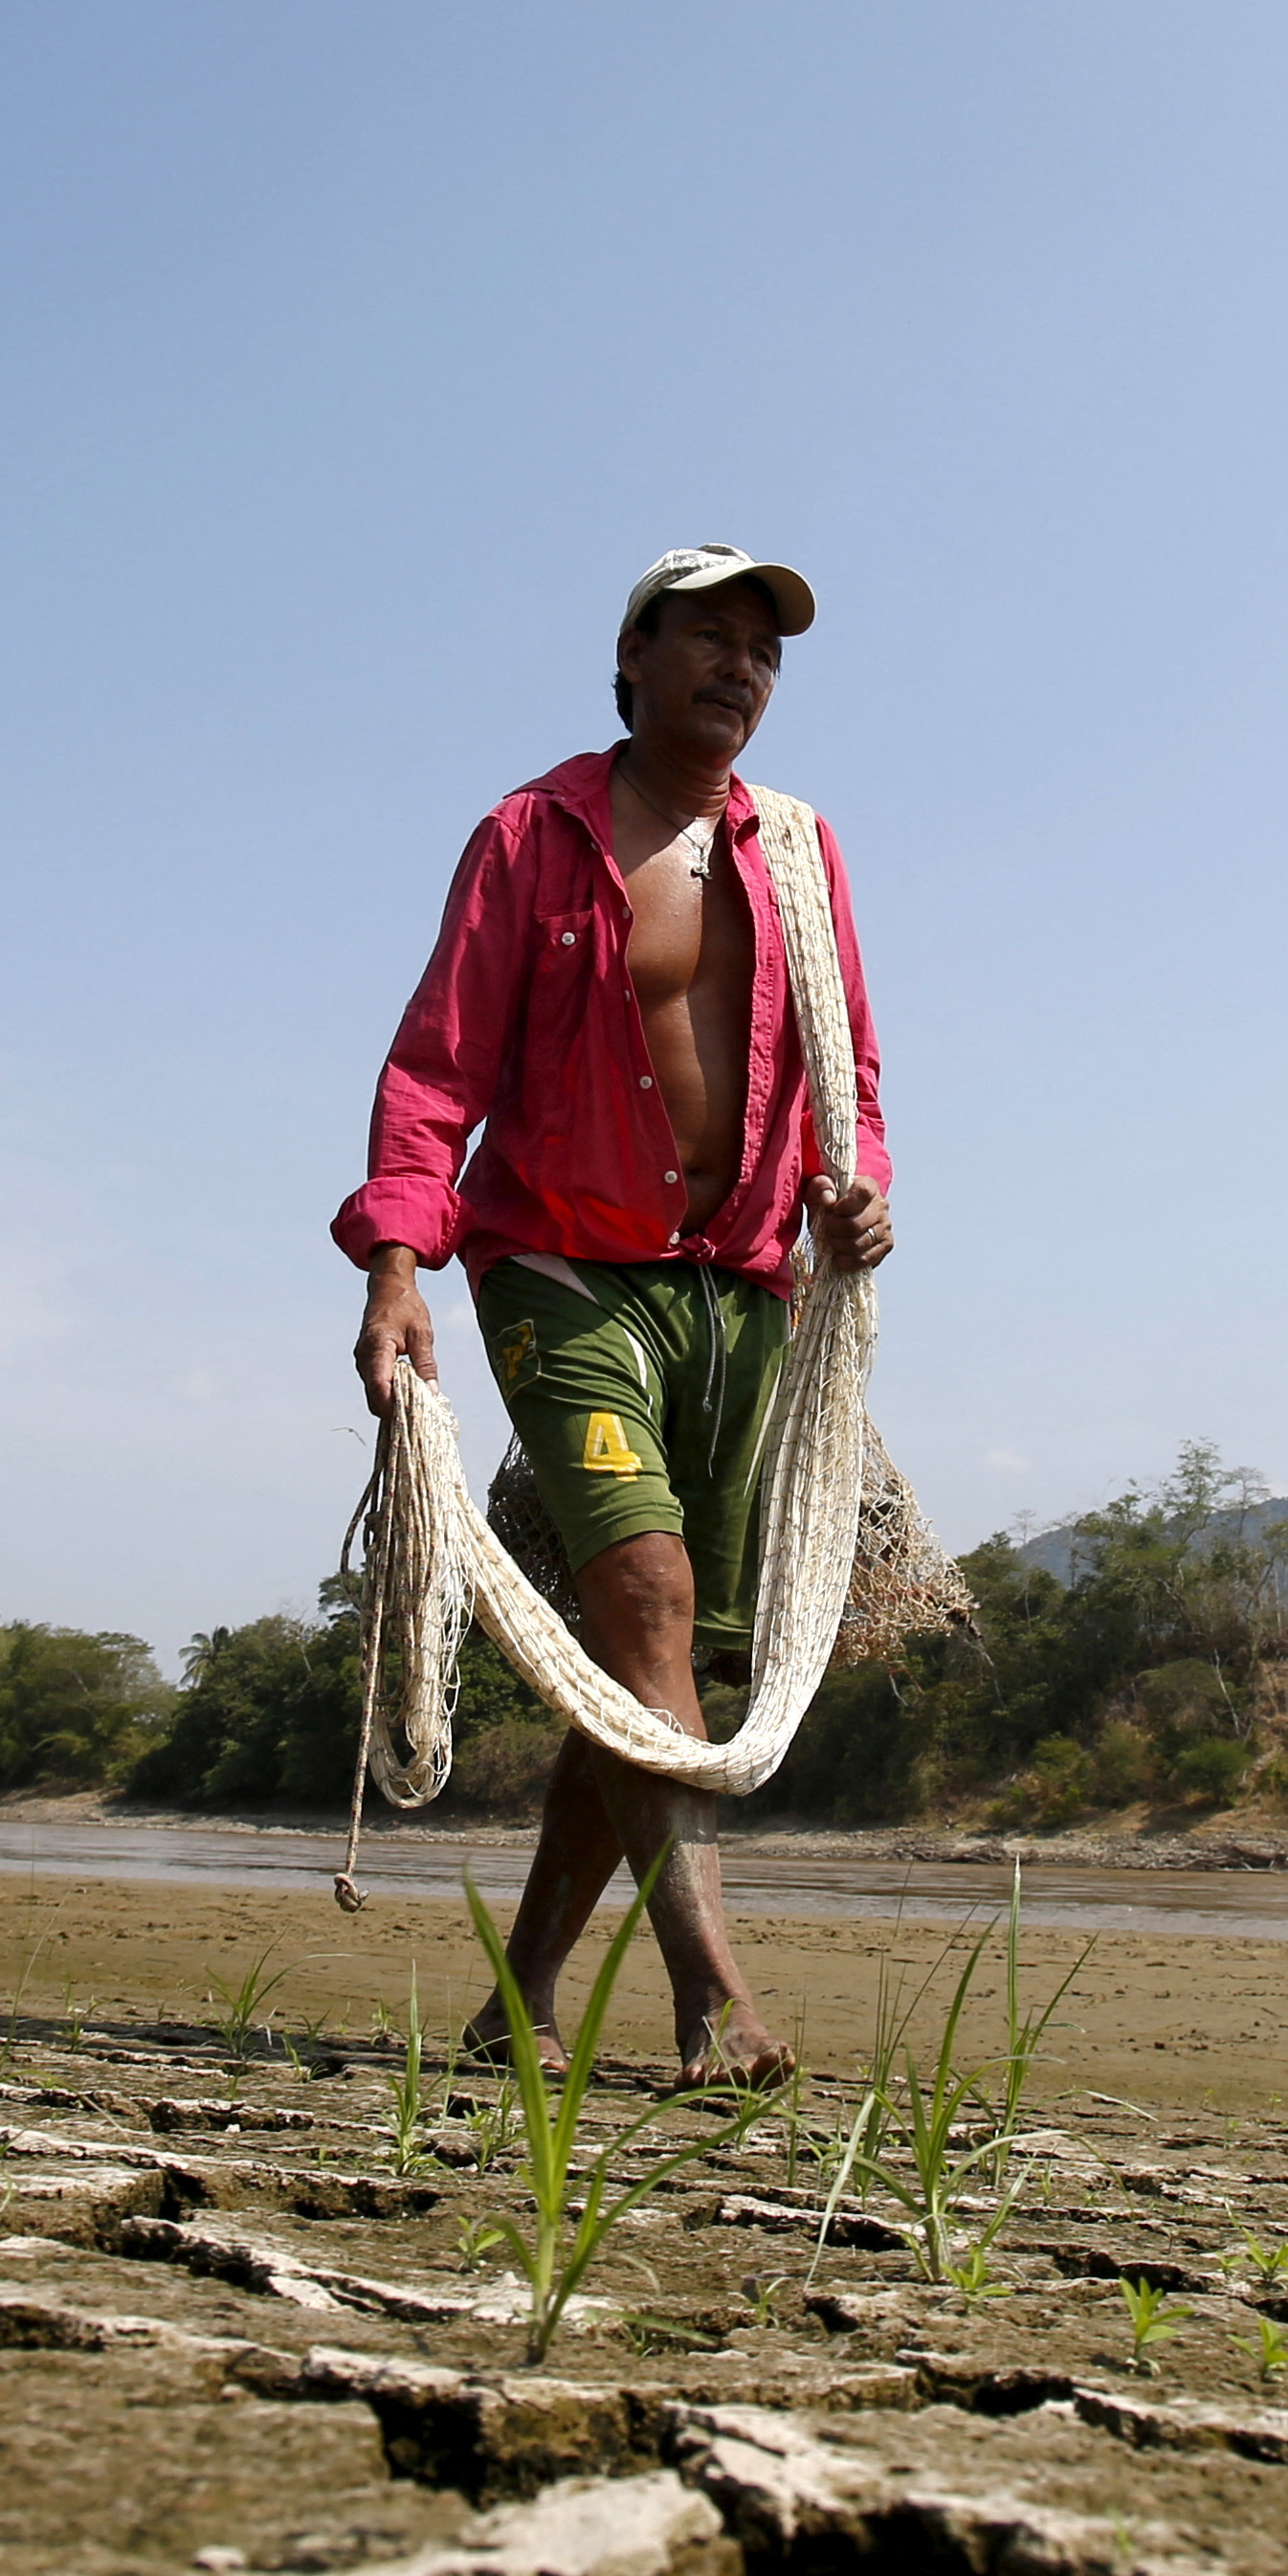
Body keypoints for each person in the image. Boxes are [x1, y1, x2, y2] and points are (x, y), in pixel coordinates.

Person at [341, 546, 894, 2086]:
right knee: (645, 1604)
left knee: (646, 1657)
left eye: (762, 653)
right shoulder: (536, 834)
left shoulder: (801, 850)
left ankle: (517, 1995)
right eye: (706, 640)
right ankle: (712, 1989)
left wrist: (862, 1194)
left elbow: (851, 1066)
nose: (739, 670)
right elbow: (437, 1068)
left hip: (741, 1282)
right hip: (561, 1270)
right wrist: (398, 1261)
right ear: (631, 659)